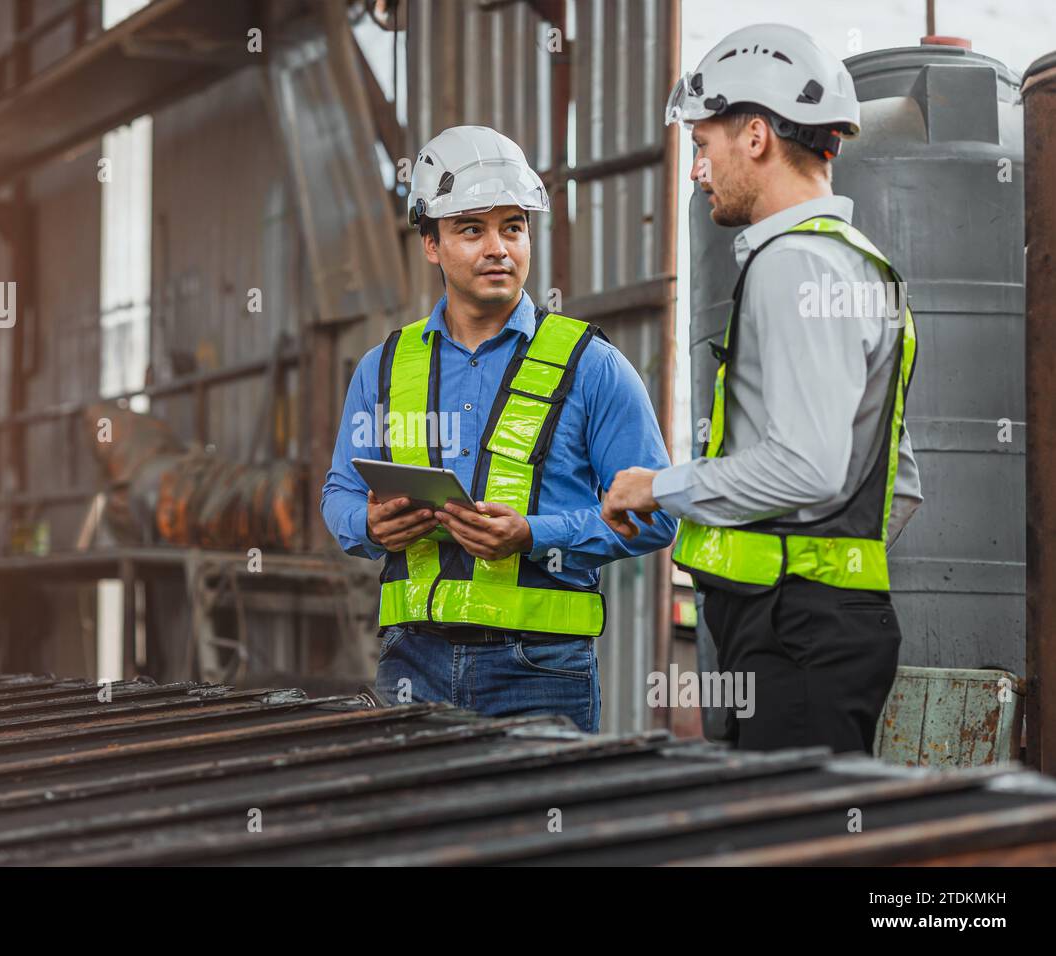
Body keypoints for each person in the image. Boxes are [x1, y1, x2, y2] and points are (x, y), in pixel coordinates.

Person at [604, 24, 921, 754]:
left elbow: (806, 466)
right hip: (825, 630)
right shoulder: (867, 270)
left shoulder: (792, 264)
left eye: (703, 144)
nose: (696, 170)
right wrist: (823, 568)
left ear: (754, 136)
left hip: (795, 638)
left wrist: (658, 486)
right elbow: (897, 486)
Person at [322, 125, 676, 734]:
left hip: (541, 669)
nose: (498, 248)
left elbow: (656, 514)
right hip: (412, 662)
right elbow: (340, 495)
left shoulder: (592, 366)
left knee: (537, 829)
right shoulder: (383, 367)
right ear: (431, 243)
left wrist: (534, 535)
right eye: (471, 229)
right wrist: (369, 525)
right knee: (414, 831)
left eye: (513, 227)